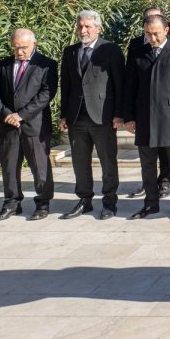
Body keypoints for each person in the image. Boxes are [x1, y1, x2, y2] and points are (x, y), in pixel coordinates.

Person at [123, 14, 170, 220]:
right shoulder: (138, 52)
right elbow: (130, 86)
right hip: (144, 116)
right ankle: (150, 203)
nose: (152, 38)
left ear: (166, 30)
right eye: (148, 34)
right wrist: (129, 116)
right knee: (147, 164)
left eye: (156, 34)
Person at [58, 11, 125, 220]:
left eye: (87, 26)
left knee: (107, 161)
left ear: (98, 28)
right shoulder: (70, 52)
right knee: (79, 162)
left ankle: (109, 202)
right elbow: (66, 85)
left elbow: (120, 83)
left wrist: (119, 114)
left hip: (103, 117)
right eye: (80, 26)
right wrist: (63, 115)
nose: (83, 30)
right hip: (77, 117)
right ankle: (84, 200)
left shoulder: (110, 50)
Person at [0, 28, 57, 221]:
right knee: (9, 166)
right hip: (7, 125)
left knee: (39, 166)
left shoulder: (47, 65)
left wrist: (22, 115)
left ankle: (43, 203)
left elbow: (46, 94)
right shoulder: (2, 65)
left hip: (34, 125)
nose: (19, 52)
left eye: (23, 48)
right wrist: (7, 115)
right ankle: (11, 203)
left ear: (34, 44)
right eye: (15, 48)